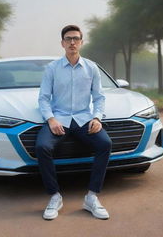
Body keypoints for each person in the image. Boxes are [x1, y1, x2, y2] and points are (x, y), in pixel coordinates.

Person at [35, 25, 112, 220]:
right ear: (62, 43)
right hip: (59, 118)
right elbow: (43, 98)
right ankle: (54, 196)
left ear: (81, 42)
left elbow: (99, 97)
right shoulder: (52, 68)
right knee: (42, 146)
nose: (72, 42)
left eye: (76, 39)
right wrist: (51, 119)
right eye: (68, 39)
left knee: (105, 144)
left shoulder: (92, 68)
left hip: (84, 119)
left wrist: (97, 118)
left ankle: (92, 197)